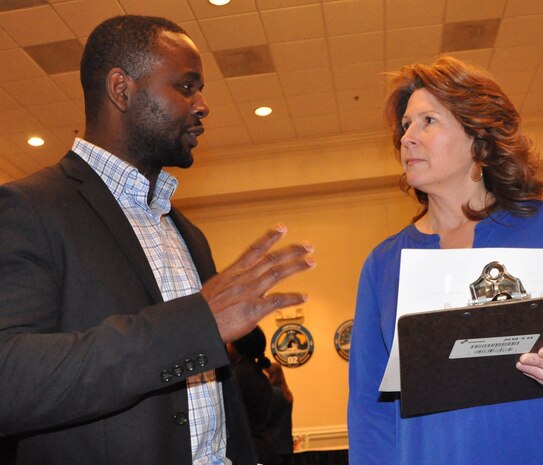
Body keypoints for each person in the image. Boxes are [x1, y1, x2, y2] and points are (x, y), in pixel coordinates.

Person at [0, 15, 315, 465]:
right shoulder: (27, 209)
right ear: (121, 89)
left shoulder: (188, 234)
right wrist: (195, 324)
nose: (203, 104)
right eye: (187, 87)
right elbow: (10, 380)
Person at [347, 56, 543, 464]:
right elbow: (370, 414)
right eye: (406, 125)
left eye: (428, 121)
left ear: (478, 140)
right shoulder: (383, 264)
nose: (408, 137)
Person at [228, 327, 279, 465]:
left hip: (249, 452)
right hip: (264, 448)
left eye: (229, 342)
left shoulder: (236, 376)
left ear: (235, 346)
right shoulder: (260, 375)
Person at [266, 363, 294, 465]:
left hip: (273, 446)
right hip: (286, 445)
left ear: (270, 375)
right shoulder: (287, 394)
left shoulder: (272, 393)